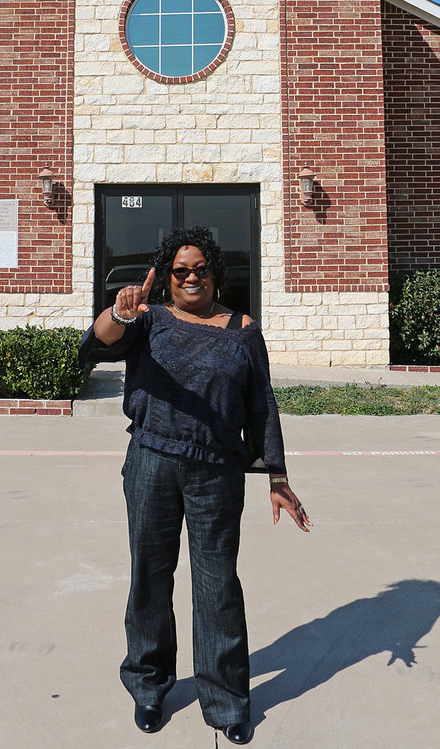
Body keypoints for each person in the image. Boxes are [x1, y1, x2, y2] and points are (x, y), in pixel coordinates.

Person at [80, 226, 311, 745]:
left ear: (214, 273)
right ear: (166, 276)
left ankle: (226, 701)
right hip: (151, 463)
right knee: (150, 579)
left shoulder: (243, 330)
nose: (190, 277)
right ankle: (147, 687)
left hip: (216, 473)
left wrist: (277, 474)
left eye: (199, 269)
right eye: (180, 270)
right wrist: (120, 312)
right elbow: (98, 344)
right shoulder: (149, 319)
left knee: (217, 586)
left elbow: (261, 406)